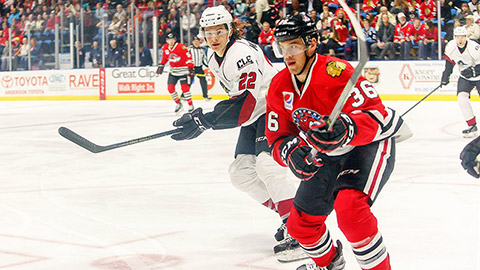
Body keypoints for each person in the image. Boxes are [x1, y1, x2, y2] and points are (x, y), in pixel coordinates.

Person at [266, 13, 412, 270]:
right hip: (326, 153)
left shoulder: (338, 73)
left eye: (295, 46)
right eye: (283, 47)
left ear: (312, 44)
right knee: (300, 226)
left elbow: (382, 118)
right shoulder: (279, 85)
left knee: (350, 211)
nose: (288, 54)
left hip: (365, 145)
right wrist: (290, 153)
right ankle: (330, 263)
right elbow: (277, 137)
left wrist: (348, 127)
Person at [168, 5, 305, 263]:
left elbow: (246, 104)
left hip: (274, 107)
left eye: (219, 30)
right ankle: (293, 216)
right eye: (208, 32)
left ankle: (300, 230)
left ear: (230, 30)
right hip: (256, 113)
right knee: (240, 173)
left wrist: (205, 120)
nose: (213, 37)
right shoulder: (211, 57)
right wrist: (205, 120)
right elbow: (243, 105)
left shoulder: (241, 53)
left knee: (267, 165)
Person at [441, 26, 480, 137]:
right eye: (458, 37)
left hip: (479, 77)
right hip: (465, 78)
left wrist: (473, 71)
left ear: (466, 37)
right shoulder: (451, 47)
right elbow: (449, 63)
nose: (460, 40)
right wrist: (445, 77)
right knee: (462, 98)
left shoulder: (475, 48)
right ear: (454, 37)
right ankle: (472, 125)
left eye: (462, 37)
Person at [156, 33, 195, 113]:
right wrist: (161, 65)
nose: (171, 41)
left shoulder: (181, 47)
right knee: (170, 88)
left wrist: (190, 67)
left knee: (185, 89)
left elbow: (189, 56)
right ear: (167, 40)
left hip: (183, 71)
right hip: (173, 72)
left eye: (172, 39)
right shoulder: (165, 47)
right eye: (169, 39)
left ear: (175, 39)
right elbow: (165, 57)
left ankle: (190, 105)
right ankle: (178, 104)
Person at [188, 35, 211, 101]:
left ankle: (205, 96)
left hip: (199, 68)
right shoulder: (189, 49)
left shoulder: (202, 50)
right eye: (195, 42)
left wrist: (208, 66)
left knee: (203, 81)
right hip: (191, 68)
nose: (196, 43)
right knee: (189, 82)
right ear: (192, 42)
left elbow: (204, 60)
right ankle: (184, 96)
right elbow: (186, 59)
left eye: (197, 41)